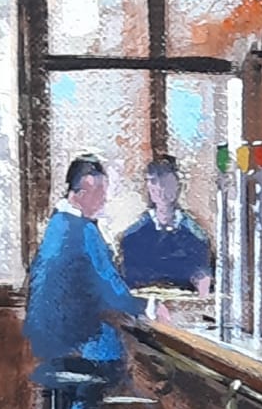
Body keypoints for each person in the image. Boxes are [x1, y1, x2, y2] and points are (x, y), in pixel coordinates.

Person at [25, 155, 167, 384]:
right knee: (134, 367)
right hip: (79, 349)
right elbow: (111, 290)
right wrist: (150, 307)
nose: (104, 199)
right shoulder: (83, 231)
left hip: (49, 348)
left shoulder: (57, 225)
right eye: (100, 192)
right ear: (82, 192)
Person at [118, 155, 214, 295]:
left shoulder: (196, 236)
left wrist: (203, 286)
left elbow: (202, 276)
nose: (160, 188)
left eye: (166, 182)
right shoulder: (132, 237)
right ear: (147, 187)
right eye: (154, 182)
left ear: (178, 186)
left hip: (184, 304)